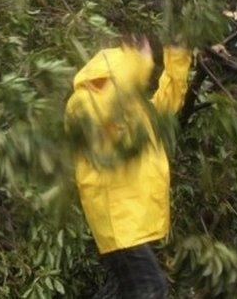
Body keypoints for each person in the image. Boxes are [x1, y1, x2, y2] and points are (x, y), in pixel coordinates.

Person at [65, 35, 192, 298]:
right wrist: (139, 62)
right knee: (151, 290)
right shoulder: (84, 101)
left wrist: (177, 57)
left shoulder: (133, 107)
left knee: (122, 289)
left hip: (131, 218)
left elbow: (167, 105)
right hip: (118, 222)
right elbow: (107, 111)